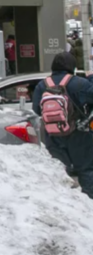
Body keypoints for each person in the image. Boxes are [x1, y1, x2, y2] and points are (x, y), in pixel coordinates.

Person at [33, 52, 93, 199]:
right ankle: (89, 202)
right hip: (80, 135)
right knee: (85, 169)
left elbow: (36, 109)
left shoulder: (43, 85)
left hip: (53, 135)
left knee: (59, 171)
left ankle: (62, 202)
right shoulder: (80, 83)